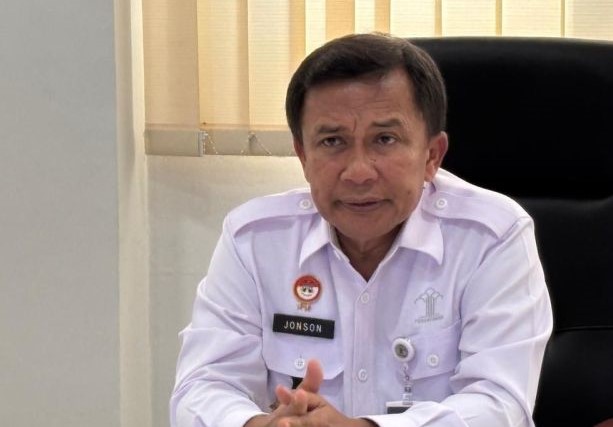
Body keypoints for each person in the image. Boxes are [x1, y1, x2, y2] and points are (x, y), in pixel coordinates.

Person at [170, 33, 553, 427]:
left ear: (431, 156)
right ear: (303, 155)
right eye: (332, 141)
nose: (358, 172)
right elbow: (201, 387)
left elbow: (500, 405)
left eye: (384, 139)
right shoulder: (255, 241)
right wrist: (258, 425)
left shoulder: (492, 237)